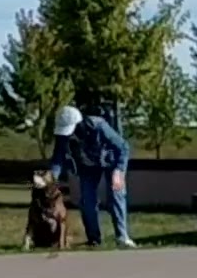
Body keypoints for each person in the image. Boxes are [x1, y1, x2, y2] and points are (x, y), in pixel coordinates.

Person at [48, 105, 137, 249]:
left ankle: (122, 237)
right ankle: (94, 240)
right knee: (87, 201)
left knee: (116, 194)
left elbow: (123, 147)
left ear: (79, 123)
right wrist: (51, 179)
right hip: (87, 165)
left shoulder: (98, 126)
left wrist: (119, 171)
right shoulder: (62, 137)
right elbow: (58, 159)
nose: (68, 135)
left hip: (112, 161)